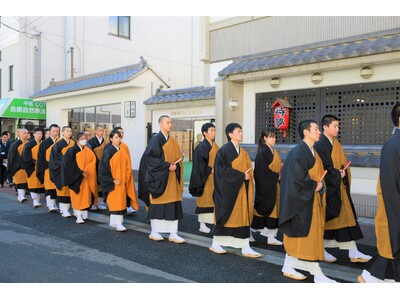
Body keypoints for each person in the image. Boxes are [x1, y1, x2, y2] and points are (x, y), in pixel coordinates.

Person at [279, 119, 337, 283]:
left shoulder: (314, 152)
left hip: (311, 201)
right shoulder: (297, 153)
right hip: (301, 203)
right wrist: (313, 186)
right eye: (316, 129)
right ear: (306, 131)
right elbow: (294, 179)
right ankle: (317, 274)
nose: (319, 132)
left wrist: (319, 186)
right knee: (305, 237)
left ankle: (288, 265)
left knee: (307, 238)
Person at [314, 114, 371, 264]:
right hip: (329, 188)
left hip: (339, 186)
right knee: (329, 222)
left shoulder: (336, 143)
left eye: (338, 126)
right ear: (325, 127)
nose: (337, 129)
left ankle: (353, 251)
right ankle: (321, 249)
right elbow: (323, 166)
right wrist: (336, 174)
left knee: (347, 219)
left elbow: (339, 163)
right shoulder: (320, 144)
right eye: (334, 126)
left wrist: (342, 173)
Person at [358, 104, 400, 283]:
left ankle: (369, 279)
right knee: (392, 251)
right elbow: (390, 187)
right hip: (395, 209)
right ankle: (369, 279)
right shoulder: (392, 146)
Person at [210, 123, 261, 258]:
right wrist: (240, 176)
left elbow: (249, 169)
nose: (241, 133)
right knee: (227, 216)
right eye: (238, 131)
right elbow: (221, 172)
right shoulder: (224, 151)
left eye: (241, 131)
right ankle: (216, 243)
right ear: (230, 134)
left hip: (240, 191)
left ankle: (245, 246)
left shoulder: (243, 152)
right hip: (228, 192)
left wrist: (247, 176)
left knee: (241, 217)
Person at [138, 115, 185, 243]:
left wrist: (176, 164)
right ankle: (154, 231)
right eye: (167, 122)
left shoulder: (172, 141)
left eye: (171, 122)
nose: (170, 124)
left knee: (173, 205)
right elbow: (149, 159)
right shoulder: (155, 140)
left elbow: (177, 157)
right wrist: (166, 166)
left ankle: (173, 233)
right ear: (160, 124)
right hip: (160, 179)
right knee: (158, 205)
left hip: (172, 179)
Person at [98, 130, 138, 231]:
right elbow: (103, 168)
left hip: (123, 181)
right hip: (113, 182)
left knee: (121, 201)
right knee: (116, 202)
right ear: (111, 139)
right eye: (116, 137)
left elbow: (127, 166)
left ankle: (114, 222)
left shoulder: (122, 150)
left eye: (119, 137)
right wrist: (112, 180)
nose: (118, 139)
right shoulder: (108, 151)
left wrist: (127, 177)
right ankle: (119, 223)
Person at [251, 128, 283, 246]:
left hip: (273, 186)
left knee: (273, 210)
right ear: (264, 138)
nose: (274, 139)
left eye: (274, 137)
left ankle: (271, 236)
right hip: (266, 186)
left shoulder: (273, 151)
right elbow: (260, 172)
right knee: (263, 210)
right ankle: (250, 232)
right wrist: (276, 176)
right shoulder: (262, 152)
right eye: (271, 137)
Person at [189, 123, 219, 233]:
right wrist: (210, 170)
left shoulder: (215, 146)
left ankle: (212, 223)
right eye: (211, 130)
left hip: (215, 179)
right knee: (204, 200)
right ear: (204, 133)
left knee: (214, 200)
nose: (213, 132)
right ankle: (202, 224)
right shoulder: (201, 147)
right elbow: (199, 165)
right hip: (205, 179)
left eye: (214, 130)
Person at [62, 132, 98, 224]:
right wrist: (81, 172)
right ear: (77, 140)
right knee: (77, 196)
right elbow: (68, 164)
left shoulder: (88, 150)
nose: (84, 140)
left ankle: (84, 214)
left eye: (85, 138)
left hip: (87, 177)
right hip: (76, 178)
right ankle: (78, 215)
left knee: (86, 195)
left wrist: (87, 170)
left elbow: (93, 161)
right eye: (82, 138)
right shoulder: (72, 150)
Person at [49, 126, 75, 217]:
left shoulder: (73, 143)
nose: (69, 133)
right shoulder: (57, 145)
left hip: (71, 171)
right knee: (63, 190)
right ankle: (63, 210)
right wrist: (66, 164)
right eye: (67, 131)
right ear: (62, 133)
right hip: (61, 171)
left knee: (69, 190)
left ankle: (68, 209)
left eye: (70, 131)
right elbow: (55, 159)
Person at [111, 126, 137, 214]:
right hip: (115, 176)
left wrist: (128, 171)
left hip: (125, 172)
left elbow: (127, 160)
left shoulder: (124, 146)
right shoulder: (109, 148)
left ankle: (128, 206)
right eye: (118, 134)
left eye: (122, 133)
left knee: (127, 189)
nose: (121, 135)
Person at [36, 124, 60, 212]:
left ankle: (54, 203)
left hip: (58, 168)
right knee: (49, 187)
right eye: (54, 131)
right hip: (48, 168)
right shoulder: (45, 143)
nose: (55, 133)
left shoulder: (60, 141)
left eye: (57, 131)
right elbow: (41, 157)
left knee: (56, 186)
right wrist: (48, 164)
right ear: (50, 132)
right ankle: (50, 205)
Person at [8, 129, 33, 205]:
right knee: (20, 182)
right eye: (24, 133)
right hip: (18, 166)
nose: (26, 134)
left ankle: (22, 195)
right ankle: (21, 196)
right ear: (20, 134)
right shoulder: (15, 144)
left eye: (27, 133)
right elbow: (11, 156)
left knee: (25, 182)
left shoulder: (30, 143)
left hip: (27, 166)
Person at [21, 128, 45, 208]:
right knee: (33, 184)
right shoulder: (29, 144)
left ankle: (37, 201)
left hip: (41, 166)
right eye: (38, 134)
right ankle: (35, 200)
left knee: (39, 184)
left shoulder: (43, 143)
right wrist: (33, 161)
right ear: (34, 134)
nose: (39, 135)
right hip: (32, 166)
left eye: (41, 134)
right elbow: (25, 156)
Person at [87, 124, 107, 210]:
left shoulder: (105, 142)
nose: (101, 132)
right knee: (94, 184)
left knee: (102, 184)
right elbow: (90, 154)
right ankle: (93, 203)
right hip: (94, 165)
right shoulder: (91, 142)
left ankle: (101, 203)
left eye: (102, 131)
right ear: (95, 131)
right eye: (100, 130)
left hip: (103, 165)